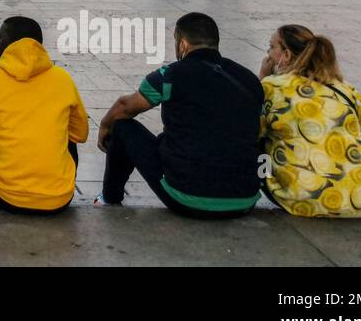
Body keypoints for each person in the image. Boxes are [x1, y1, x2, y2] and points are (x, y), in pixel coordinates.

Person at [96, 12, 261, 218]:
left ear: (183, 44)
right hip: (244, 198)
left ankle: (109, 198)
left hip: (186, 197)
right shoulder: (249, 79)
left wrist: (104, 125)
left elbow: (125, 107)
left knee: (122, 127)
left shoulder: (171, 75)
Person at [0, 16, 88, 214]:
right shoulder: (63, 79)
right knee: (68, 137)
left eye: (0, 38)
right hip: (59, 200)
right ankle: (56, 185)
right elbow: (80, 135)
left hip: (7, 197)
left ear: (11, 46)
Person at [258, 24, 361, 218]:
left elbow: (251, 131)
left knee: (259, 147)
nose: (268, 54)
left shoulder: (273, 87)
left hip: (302, 198)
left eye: (271, 47)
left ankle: (262, 185)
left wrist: (261, 79)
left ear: (285, 54)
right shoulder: (345, 89)